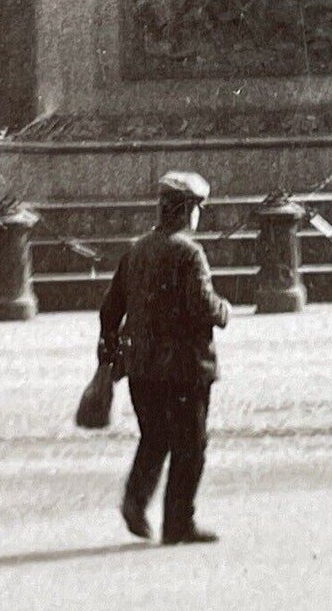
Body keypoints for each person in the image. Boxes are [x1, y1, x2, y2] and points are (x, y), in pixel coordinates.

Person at [99, 170, 231, 546]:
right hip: (186, 368)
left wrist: (109, 355)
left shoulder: (136, 249)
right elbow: (203, 307)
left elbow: (110, 308)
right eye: (197, 208)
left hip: (142, 367)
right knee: (191, 445)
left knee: (154, 438)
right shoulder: (189, 252)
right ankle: (178, 522)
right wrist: (224, 310)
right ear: (188, 211)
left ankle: (135, 501)